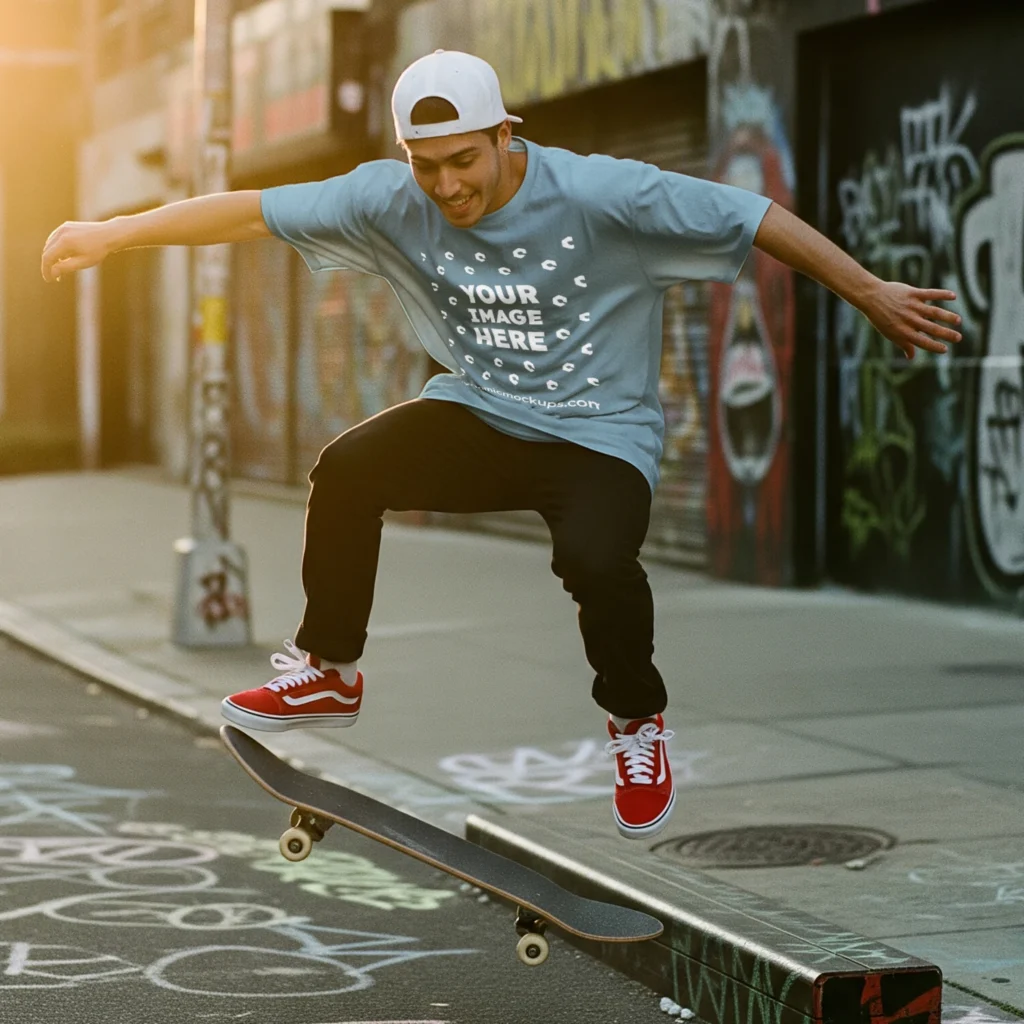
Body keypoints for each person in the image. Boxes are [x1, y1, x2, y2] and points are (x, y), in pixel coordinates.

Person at [41, 50, 961, 840]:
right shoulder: (385, 196)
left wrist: (867, 290)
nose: (448, 188)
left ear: (506, 135)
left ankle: (636, 724)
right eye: (426, 167)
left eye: (465, 162)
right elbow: (247, 211)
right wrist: (114, 233)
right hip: (482, 413)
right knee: (348, 469)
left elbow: (750, 216)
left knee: (597, 559)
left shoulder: (602, 191)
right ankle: (329, 671)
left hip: (601, 436)